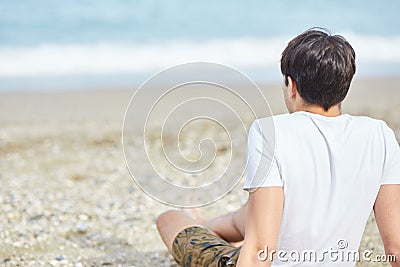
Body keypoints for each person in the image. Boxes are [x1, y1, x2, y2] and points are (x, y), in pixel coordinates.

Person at [156, 28, 400, 266]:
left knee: (169, 219)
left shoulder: (270, 132)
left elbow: (261, 250)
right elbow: (395, 247)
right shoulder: (379, 135)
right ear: (343, 87)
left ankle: (200, 224)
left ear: (291, 86)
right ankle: (206, 223)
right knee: (261, 206)